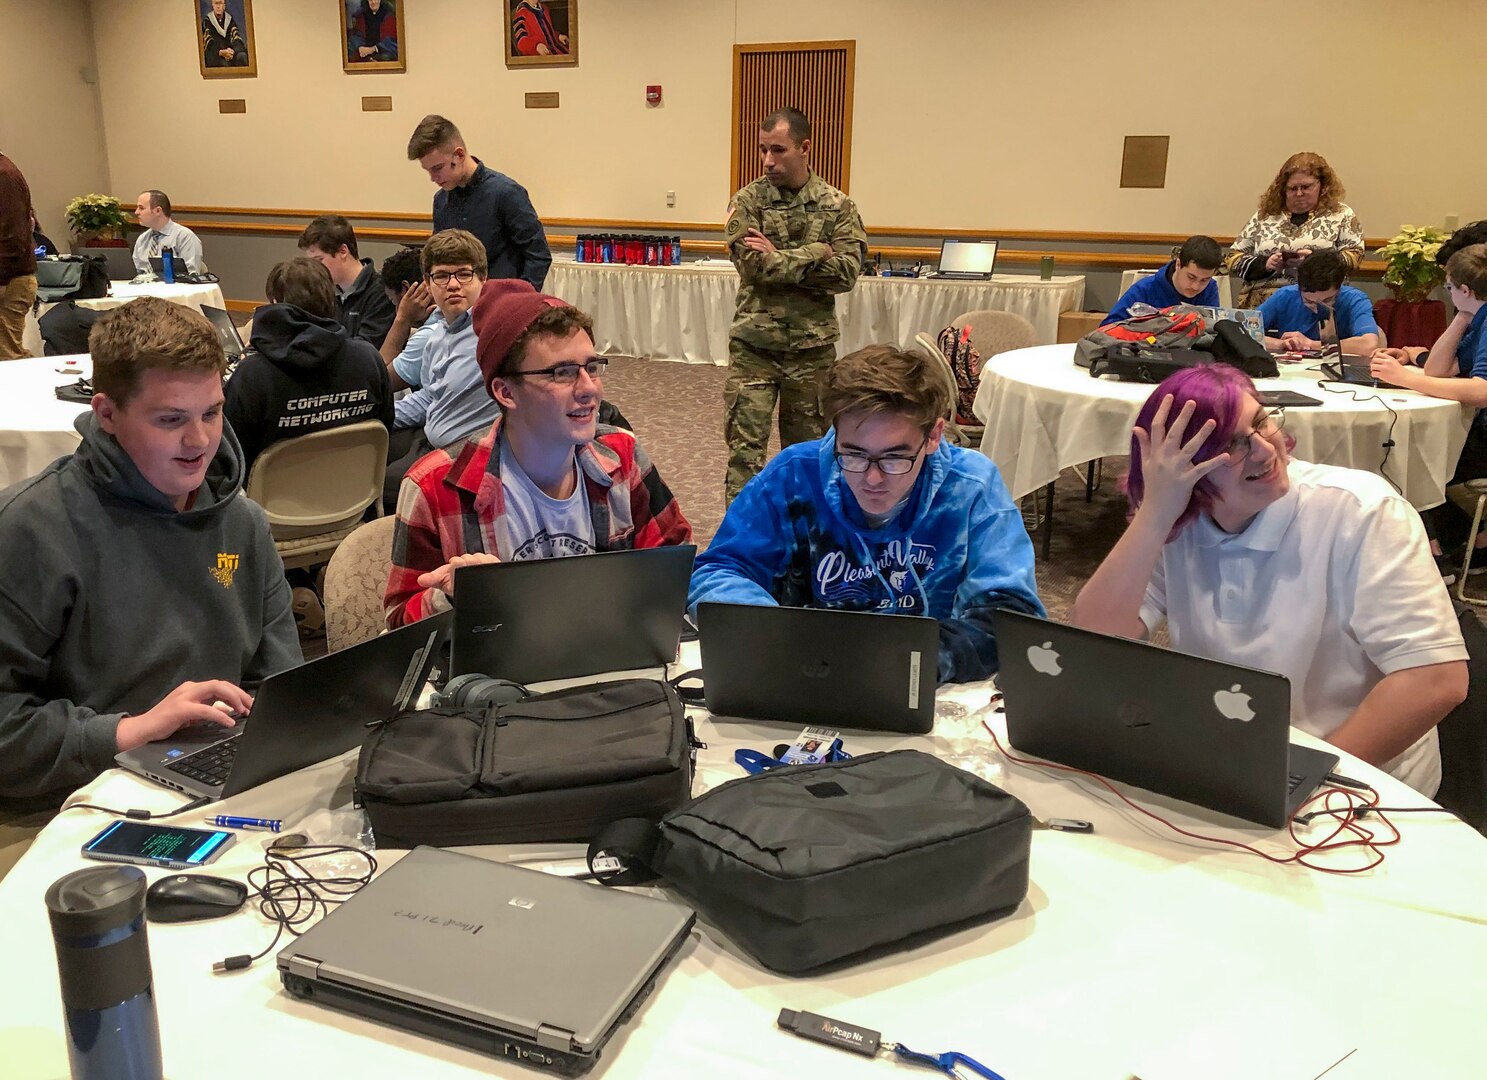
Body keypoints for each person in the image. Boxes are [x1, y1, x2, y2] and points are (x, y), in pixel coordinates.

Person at [1069, 364, 1467, 796]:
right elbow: (1093, 641)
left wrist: (1299, 781)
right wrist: (1154, 514)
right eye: (1231, 445)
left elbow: (1435, 680)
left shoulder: (1362, 511)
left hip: (1355, 779)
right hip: (1232, 763)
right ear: (1183, 468)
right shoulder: (1181, 520)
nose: (1263, 450)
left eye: (1261, 422)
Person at [0, 297, 302, 810]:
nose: (200, 440)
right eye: (170, 419)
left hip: (216, 785)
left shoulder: (242, 523)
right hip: (69, 801)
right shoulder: (34, 528)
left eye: (212, 412)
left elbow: (280, 684)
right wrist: (130, 732)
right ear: (107, 414)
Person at [689, 344, 1044, 684]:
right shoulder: (794, 474)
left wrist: (919, 659)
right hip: (805, 675)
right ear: (835, 432)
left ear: (934, 436)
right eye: (853, 454)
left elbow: (1010, 614)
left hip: (924, 684)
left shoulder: (972, 486)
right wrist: (776, 636)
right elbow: (720, 571)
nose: (873, 478)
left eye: (895, 457)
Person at [385, 279, 691, 627]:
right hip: (499, 676)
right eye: (562, 373)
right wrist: (453, 595)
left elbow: (677, 566)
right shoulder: (434, 486)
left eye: (592, 367)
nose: (590, 389)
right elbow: (398, 624)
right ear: (505, 392)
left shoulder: (622, 456)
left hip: (609, 662)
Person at [723, 107, 868, 503]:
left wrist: (781, 257)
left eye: (779, 150)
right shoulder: (747, 201)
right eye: (763, 150)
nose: (768, 161)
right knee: (744, 458)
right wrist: (817, 251)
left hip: (810, 353)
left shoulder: (838, 206)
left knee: (810, 459)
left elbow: (845, 274)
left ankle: (807, 545)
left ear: (805, 148)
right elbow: (753, 266)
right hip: (754, 349)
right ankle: (740, 550)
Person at [1370, 244, 1487, 568]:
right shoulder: (1478, 317)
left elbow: (1482, 390)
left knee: (1410, 456)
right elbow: (1438, 369)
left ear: (1465, 289)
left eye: (1450, 288)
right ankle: (1448, 547)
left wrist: (1405, 379)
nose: (1448, 294)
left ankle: (1431, 557)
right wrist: (1463, 315)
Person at [224, 257, 393, 477]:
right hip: (355, 495)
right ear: (331, 301)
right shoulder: (369, 359)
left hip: (271, 504)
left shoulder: (252, 375)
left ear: (275, 304)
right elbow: (385, 426)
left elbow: (231, 455)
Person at [383, 229, 500, 509]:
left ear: (482, 278)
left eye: (463, 274)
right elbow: (430, 396)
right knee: (368, 451)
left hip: (469, 451)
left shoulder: (493, 333)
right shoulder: (436, 336)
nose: (453, 285)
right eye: (442, 276)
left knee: (389, 486)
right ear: (428, 283)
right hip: (434, 437)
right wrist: (378, 413)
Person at [406, 115, 552, 292]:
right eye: (428, 171)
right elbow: (439, 259)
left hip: (502, 303)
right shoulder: (441, 201)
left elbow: (538, 255)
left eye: (437, 168)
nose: (432, 178)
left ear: (459, 155)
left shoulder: (506, 192)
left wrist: (520, 301)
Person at [1222, 152, 1364, 309]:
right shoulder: (1264, 216)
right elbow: (1232, 258)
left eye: (1306, 187)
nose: (1299, 193)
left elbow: (1354, 256)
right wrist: (1266, 264)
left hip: (1318, 301)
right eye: (1292, 188)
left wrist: (1313, 261)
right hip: (1263, 303)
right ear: (1283, 189)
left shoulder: (1341, 214)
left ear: (1322, 186)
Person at [298, 215, 396, 350]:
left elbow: (365, 349)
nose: (314, 269)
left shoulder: (381, 292)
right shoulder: (325, 292)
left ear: (343, 251)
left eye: (319, 260)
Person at [1259, 249, 1380, 355]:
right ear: (1299, 287)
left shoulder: (1354, 299)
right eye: (1308, 301)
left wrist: (1311, 344)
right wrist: (1282, 344)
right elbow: (1245, 332)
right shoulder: (1285, 296)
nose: (1316, 308)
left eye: (1327, 300)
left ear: (1339, 287)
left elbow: (1369, 344)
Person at [1102, 236, 1223, 324]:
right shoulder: (1144, 289)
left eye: (1204, 280)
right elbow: (1107, 329)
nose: (1196, 286)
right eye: (1191, 277)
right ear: (1178, 264)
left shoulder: (1210, 288)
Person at [378, 245, 438, 393]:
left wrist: (402, 319)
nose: (395, 310)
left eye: (393, 301)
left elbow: (377, 383)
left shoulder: (427, 337)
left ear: (406, 290)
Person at [0, 151, 36, 361]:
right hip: (9, 277)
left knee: (7, 361)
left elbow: (13, 238)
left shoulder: (4, 175)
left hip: (8, 282)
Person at [131, 190, 205, 276]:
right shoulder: (142, 239)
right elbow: (134, 272)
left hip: (173, 287)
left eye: (141, 208)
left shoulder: (185, 237)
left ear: (158, 211)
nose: (136, 212)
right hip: (143, 288)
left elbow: (191, 274)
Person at [201, 0, 249, 68]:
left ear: (224, 6)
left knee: (242, 56)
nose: (218, 6)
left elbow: (236, 38)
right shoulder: (207, 21)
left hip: (230, 54)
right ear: (212, 5)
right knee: (222, 63)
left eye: (220, 3)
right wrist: (220, 52)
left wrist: (233, 51)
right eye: (216, 3)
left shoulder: (229, 19)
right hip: (216, 55)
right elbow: (208, 43)